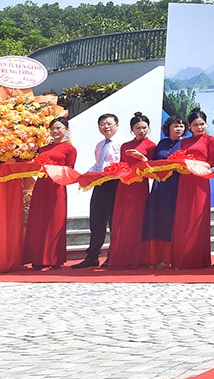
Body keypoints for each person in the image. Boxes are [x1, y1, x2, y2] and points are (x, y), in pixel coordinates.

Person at [23, 117, 77, 270]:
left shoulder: (70, 149)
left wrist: (54, 171)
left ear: (66, 130)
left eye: (59, 128)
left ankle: (52, 259)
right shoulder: (43, 148)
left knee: (54, 222)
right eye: (53, 128)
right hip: (41, 186)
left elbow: (70, 170)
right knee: (38, 221)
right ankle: (37, 258)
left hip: (57, 187)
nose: (55, 131)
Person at [72, 113, 123, 268]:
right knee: (96, 220)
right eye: (102, 124)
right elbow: (97, 165)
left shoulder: (121, 144)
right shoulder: (100, 144)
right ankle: (92, 256)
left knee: (114, 222)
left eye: (109, 123)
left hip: (114, 184)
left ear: (117, 125)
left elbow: (120, 165)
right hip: (99, 184)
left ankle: (113, 256)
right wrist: (85, 176)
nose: (105, 127)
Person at [106, 112, 156, 268]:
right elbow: (122, 164)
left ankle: (139, 257)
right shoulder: (125, 146)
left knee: (138, 219)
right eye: (138, 128)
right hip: (124, 185)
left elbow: (154, 167)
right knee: (122, 220)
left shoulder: (151, 145)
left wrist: (143, 159)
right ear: (131, 129)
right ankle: (121, 257)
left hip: (140, 185)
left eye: (144, 127)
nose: (142, 131)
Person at [172, 108, 214, 269]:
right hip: (185, 180)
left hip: (200, 181)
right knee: (184, 217)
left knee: (198, 217)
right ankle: (182, 258)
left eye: (202, 124)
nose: (199, 127)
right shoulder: (184, 142)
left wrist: (196, 165)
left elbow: (213, 162)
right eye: (195, 125)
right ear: (189, 126)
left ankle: (198, 258)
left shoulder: (210, 140)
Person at [143, 116, 185, 269]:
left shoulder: (185, 144)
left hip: (177, 186)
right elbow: (153, 164)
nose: (179, 129)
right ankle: (155, 258)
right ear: (168, 128)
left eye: (181, 126)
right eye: (175, 126)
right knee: (157, 218)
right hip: (160, 186)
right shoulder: (161, 143)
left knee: (171, 220)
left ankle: (171, 258)